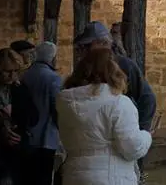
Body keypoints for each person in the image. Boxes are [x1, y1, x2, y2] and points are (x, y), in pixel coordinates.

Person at [74, 22, 156, 180]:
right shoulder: (85, 67)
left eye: (87, 46)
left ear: (102, 44)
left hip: (122, 143)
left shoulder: (124, 65)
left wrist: (140, 130)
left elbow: (147, 98)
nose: (82, 51)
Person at [57, 48, 152, 185]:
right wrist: (146, 136)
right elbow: (132, 147)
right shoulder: (118, 103)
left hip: (74, 175)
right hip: (111, 176)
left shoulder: (66, 103)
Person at [0, 48, 40, 185]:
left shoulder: (20, 89)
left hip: (17, 152)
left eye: (15, 71)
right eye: (7, 71)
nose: (12, 75)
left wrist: (18, 126)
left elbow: (34, 117)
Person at [22, 42, 63, 185]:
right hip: (46, 137)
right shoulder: (53, 78)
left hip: (25, 136)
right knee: (43, 178)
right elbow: (57, 108)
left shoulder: (24, 75)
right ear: (52, 58)